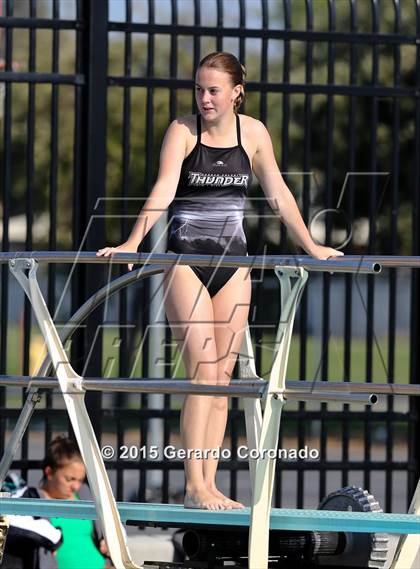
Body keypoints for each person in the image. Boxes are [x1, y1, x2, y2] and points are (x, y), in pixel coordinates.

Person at [96, 52, 343, 511]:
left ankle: (209, 483)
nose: (204, 98)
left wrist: (311, 245)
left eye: (213, 90)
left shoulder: (253, 134)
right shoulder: (183, 131)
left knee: (224, 380)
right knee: (203, 375)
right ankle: (193, 486)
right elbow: (165, 186)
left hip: (235, 262)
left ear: (236, 93)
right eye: (199, 89)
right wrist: (132, 240)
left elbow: (278, 192)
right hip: (187, 260)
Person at [2, 436, 108, 569]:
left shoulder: (83, 494)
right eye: (70, 479)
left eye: (80, 480)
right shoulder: (32, 498)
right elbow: (7, 521)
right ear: (49, 472)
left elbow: (113, 525)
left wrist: (109, 540)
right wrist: (51, 536)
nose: (76, 486)